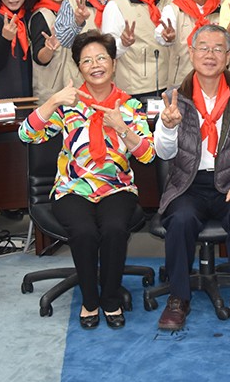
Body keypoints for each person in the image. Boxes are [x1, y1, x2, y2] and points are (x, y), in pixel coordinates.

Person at [18, 31, 154, 330]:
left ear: (114, 63)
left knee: (114, 228)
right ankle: (90, 301)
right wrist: (53, 100)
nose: (95, 65)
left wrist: (122, 128)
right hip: (72, 188)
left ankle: (110, 299)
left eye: (101, 58)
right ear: (79, 68)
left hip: (116, 187)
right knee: (84, 231)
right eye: (87, 61)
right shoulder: (68, 104)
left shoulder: (130, 106)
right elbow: (26, 135)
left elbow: (147, 155)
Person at [152, 24, 230, 332]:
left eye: (218, 49)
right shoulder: (175, 97)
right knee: (181, 220)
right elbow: (163, 153)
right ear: (191, 53)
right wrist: (168, 127)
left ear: (229, 56)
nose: (210, 55)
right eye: (203, 48)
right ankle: (178, 298)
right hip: (188, 185)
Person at [103, 0, 171, 100]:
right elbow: (107, 50)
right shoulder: (116, 4)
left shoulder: (161, 0)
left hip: (166, 83)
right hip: (135, 89)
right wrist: (123, 43)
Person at [157, 0, 223, 83]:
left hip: (216, 82)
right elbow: (160, 33)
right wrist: (167, 37)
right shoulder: (173, 9)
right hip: (182, 83)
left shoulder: (222, 8)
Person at [30, 0, 82, 103]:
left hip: (76, 85)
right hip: (51, 91)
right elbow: (40, 58)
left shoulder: (77, 12)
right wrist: (49, 49)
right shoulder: (41, 15)